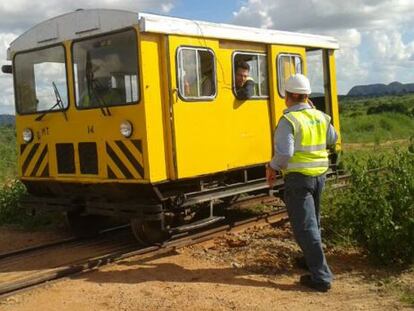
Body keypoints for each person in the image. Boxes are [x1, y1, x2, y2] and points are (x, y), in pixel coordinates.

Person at [266, 73, 337, 292]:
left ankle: (321, 277)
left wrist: (272, 167)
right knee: (313, 222)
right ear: (306, 96)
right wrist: (314, 111)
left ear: (288, 96)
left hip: (299, 179)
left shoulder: (289, 120)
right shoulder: (320, 116)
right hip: (319, 176)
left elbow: (285, 153)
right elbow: (332, 139)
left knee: (305, 227)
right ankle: (310, 261)